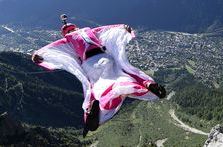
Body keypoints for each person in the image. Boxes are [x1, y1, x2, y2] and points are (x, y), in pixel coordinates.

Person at [32, 15, 166, 137]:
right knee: (124, 76)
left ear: (64, 33)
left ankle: (91, 113)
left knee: (95, 90)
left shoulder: (66, 41)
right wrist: (124, 28)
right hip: (105, 58)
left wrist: (37, 56)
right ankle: (148, 85)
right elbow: (110, 29)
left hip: (89, 65)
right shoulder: (91, 31)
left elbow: (50, 49)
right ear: (76, 27)